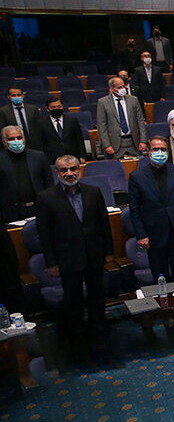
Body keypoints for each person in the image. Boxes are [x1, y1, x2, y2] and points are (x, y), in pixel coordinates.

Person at [35, 155, 114, 364]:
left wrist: (108, 252)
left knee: (98, 301)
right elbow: (45, 234)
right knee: (74, 304)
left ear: (79, 170)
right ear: (57, 173)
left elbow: (104, 225)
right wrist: (51, 263)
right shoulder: (46, 198)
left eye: (73, 169)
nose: (69, 174)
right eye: (64, 170)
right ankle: (79, 348)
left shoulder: (93, 192)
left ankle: (101, 344)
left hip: (94, 256)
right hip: (67, 260)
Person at [127, 136, 174, 289]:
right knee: (160, 274)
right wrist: (141, 235)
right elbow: (134, 209)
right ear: (148, 152)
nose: (160, 153)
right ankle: (165, 306)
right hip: (153, 234)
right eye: (156, 149)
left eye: (163, 149)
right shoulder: (136, 176)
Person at [0, 125, 53, 219]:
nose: (16, 141)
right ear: (4, 142)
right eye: (12, 139)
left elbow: (49, 183)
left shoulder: (38, 156)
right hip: (12, 211)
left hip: (38, 207)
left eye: (19, 137)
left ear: (24, 139)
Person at [96, 76, 147, 159]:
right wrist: (107, 145)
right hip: (114, 144)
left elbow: (140, 121)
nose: (123, 89)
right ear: (112, 89)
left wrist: (143, 140)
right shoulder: (103, 102)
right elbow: (102, 125)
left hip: (134, 142)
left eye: (124, 86)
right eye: (120, 87)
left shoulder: (133, 100)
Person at [40, 96, 86, 164]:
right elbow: (40, 143)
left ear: (62, 106)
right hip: (51, 159)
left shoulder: (72, 120)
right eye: (53, 107)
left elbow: (79, 139)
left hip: (72, 157)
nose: (56, 109)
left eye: (59, 106)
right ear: (48, 109)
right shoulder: (41, 123)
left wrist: (82, 156)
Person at [0, 86, 45, 150]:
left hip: (33, 144)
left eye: (18, 95)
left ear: (23, 95)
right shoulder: (3, 111)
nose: (16, 97)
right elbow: (2, 129)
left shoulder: (33, 109)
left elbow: (39, 127)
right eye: (13, 95)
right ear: (9, 97)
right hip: (15, 143)